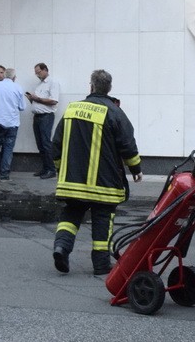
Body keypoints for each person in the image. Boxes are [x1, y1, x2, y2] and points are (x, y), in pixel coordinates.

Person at [51, 70, 143, 276]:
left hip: (73, 181)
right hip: (104, 183)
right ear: (109, 88)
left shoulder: (71, 109)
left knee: (71, 214)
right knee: (103, 219)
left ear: (90, 86)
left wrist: (60, 170)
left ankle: (61, 248)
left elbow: (55, 145)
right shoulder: (114, 112)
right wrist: (136, 168)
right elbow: (127, 145)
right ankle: (101, 264)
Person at [26, 62, 60, 179]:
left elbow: (54, 101)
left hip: (46, 116)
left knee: (46, 143)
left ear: (45, 69)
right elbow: (37, 102)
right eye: (36, 73)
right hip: (37, 116)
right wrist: (32, 99)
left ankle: (51, 170)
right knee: (40, 144)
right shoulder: (39, 85)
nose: (38, 75)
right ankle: (45, 168)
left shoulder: (52, 83)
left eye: (39, 72)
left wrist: (37, 98)